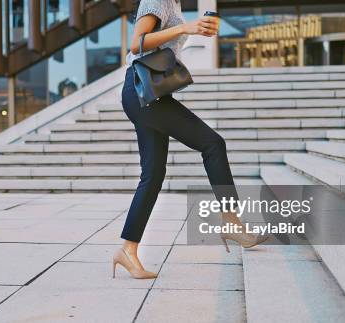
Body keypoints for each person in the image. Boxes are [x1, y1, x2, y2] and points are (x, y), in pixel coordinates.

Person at [113, 0, 267, 280]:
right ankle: (231, 221)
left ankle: (128, 250)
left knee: (153, 175)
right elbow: (137, 44)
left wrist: (193, 29)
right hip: (142, 92)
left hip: (147, 94)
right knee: (212, 144)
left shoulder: (171, 1)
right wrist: (187, 28)